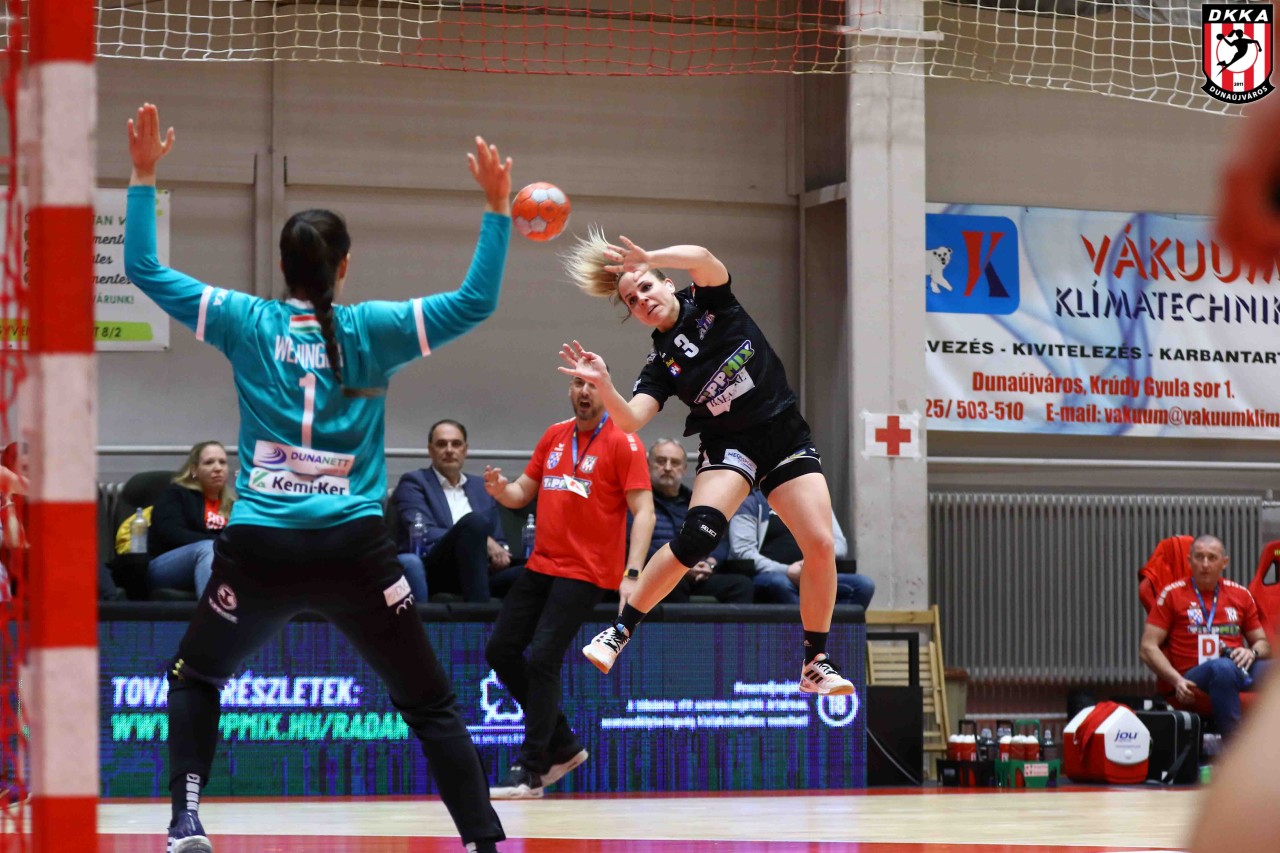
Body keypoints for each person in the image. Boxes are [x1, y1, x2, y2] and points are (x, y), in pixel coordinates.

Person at [124, 102, 511, 853]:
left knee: (196, 678)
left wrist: (143, 176)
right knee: (430, 703)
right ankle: (483, 843)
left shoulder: (242, 319)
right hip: (355, 552)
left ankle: (185, 822)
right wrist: (496, 209)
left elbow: (143, 268)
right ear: (344, 267)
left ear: (282, 268)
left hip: (259, 551)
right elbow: (477, 301)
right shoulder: (375, 329)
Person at [562, 229, 854, 696]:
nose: (642, 300)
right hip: (730, 446)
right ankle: (620, 630)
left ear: (666, 283)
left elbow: (702, 256)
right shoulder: (661, 363)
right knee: (698, 536)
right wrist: (605, 386)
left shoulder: (710, 303)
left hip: (783, 435)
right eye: (632, 300)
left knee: (820, 544)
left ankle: (814, 662)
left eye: (646, 287)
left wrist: (649, 254)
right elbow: (632, 419)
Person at [481, 374, 654, 798]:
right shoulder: (554, 435)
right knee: (500, 650)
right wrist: (503, 491)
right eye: (577, 384)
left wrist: (632, 574)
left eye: (592, 384)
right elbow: (522, 492)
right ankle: (562, 743)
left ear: (605, 391)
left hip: (587, 570)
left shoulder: (624, 441)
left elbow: (645, 512)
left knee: (543, 658)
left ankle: (531, 770)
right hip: (542, 564)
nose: (584, 392)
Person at [1139, 534, 1270, 738]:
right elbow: (1147, 648)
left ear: (1224, 562)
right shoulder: (1172, 594)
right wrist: (1176, 681)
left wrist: (1251, 652)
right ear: (1189, 561)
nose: (1205, 564)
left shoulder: (1240, 594)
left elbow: (1262, 643)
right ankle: (1234, 748)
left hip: (1237, 666)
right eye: (1199, 557)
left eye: (1212, 557)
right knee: (1222, 668)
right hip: (1194, 674)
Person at [391, 419, 518, 603]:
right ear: (430, 450)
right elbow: (424, 532)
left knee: (534, 573)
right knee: (474, 522)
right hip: (438, 570)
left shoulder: (481, 487)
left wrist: (500, 552)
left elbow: (498, 540)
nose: (449, 450)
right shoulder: (414, 482)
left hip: (483, 569)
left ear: (465, 450)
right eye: (442, 444)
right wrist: (479, 538)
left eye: (456, 444)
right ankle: (478, 615)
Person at [638, 437, 751, 604]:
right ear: (648, 464)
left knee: (741, 585)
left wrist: (710, 563)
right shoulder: (639, 503)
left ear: (684, 468)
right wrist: (680, 564)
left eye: (675, 463)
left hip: (699, 570)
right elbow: (636, 543)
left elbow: (720, 537)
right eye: (661, 461)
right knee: (671, 584)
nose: (668, 468)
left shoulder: (697, 501)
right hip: (659, 572)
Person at [730, 488, 874, 608]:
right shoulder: (751, 502)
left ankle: (828, 632)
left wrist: (812, 562)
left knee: (863, 585)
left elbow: (839, 544)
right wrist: (787, 570)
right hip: (770, 575)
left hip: (813, 572)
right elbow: (743, 550)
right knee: (780, 584)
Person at [147, 441, 236, 599]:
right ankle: (211, 613)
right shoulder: (176, 494)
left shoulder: (233, 503)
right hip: (166, 566)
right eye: (209, 462)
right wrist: (218, 542)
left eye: (222, 462)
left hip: (217, 564)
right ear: (194, 470)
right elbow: (170, 533)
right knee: (208, 548)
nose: (218, 468)